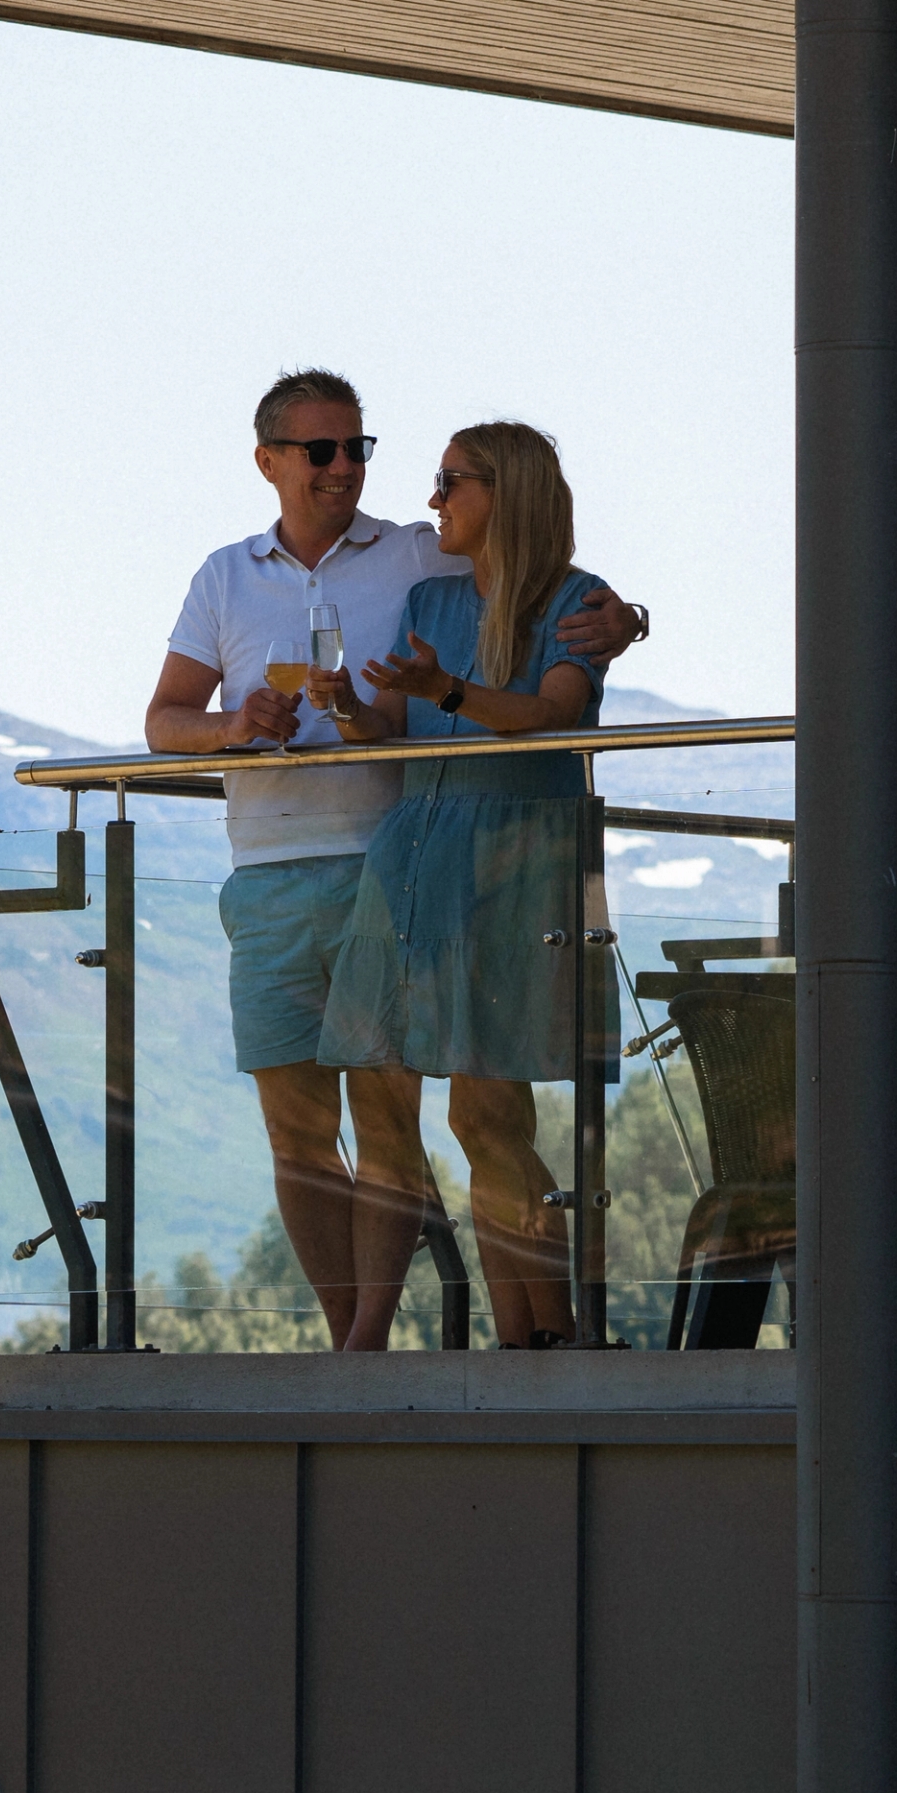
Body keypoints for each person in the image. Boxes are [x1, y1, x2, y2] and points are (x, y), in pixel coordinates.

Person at [152, 374, 641, 1350]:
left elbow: (550, 657)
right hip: (346, 868)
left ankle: (490, 1337)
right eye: (323, 450)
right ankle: (401, 1343)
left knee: (459, 1118)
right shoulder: (255, 578)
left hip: (449, 870)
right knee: (353, 1126)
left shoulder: (433, 561)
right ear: (270, 461)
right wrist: (275, 719)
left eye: (359, 448)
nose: (350, 468)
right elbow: (172, 721)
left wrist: (629, 618)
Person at [318, 418, 605, 1349]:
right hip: (417, 859)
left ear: (505, 492)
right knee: (416, 1102)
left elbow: (550, 714)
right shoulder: (431, 600)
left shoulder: (579, 600)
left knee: (487, 1113)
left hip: (518, 864)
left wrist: (445, 692)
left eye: (451, 482)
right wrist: (349, 707)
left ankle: (548, 1329)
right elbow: (388, 728)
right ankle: (525, 1336)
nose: (433, 499)